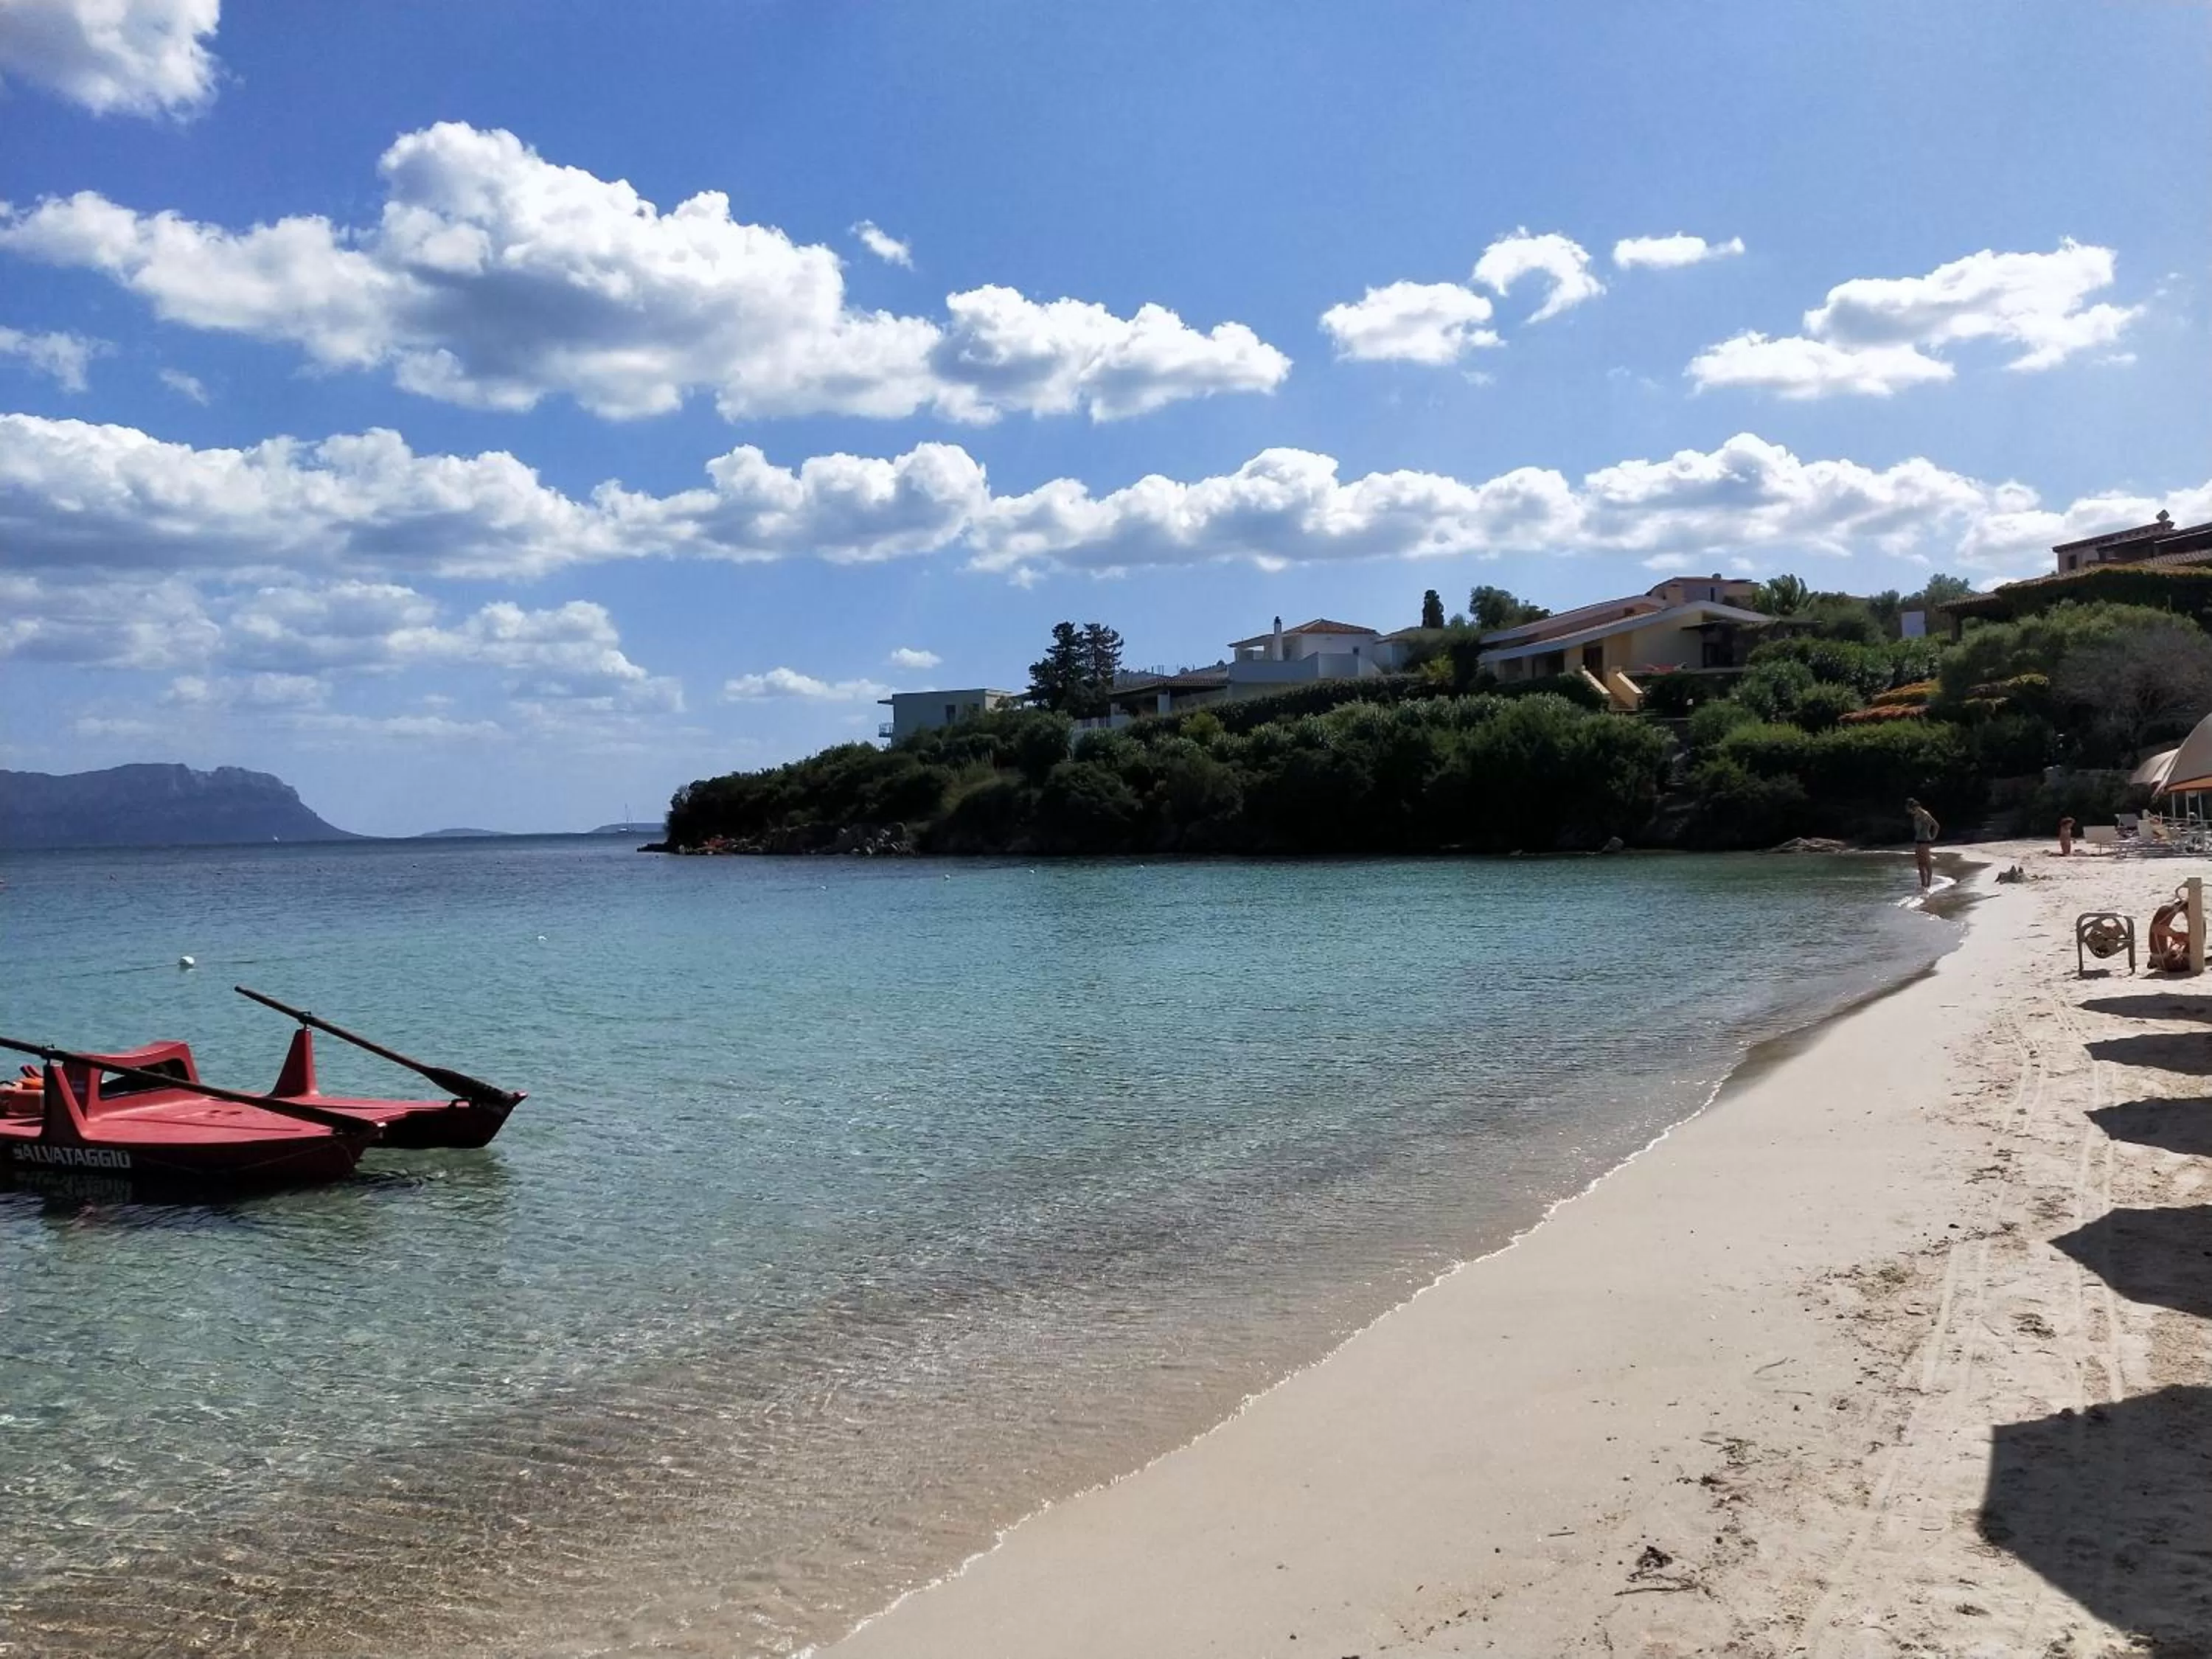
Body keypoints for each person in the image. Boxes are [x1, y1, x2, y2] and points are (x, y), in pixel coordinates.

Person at [1907, 798, 1940, 889]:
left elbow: (1936, 826)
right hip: (1918, 841)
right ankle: (1923, 885)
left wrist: (1933, 838)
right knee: (1920, 864)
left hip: (1925, 841)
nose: (1909, 811)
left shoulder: (1925, 815)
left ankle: (1928, 884)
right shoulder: (1916, 816)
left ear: (1914, 807)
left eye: (1909, 809)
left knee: (1926, 863)